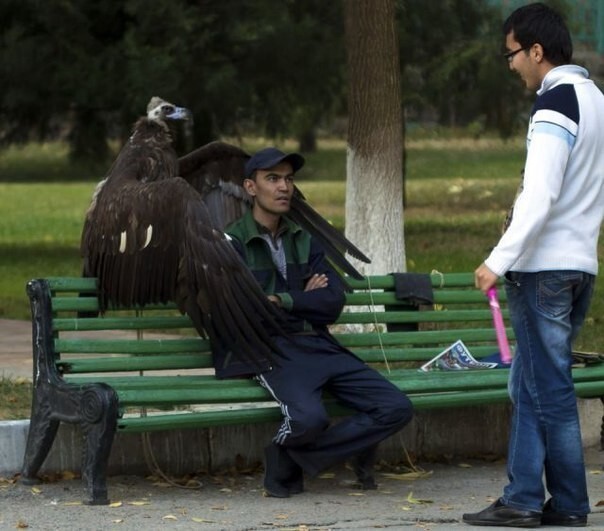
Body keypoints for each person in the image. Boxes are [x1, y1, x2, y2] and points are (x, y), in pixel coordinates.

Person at [465, 3, 604, 528]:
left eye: (513, 54)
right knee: (528, 384)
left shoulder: (554, 105)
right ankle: (523, 496)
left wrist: (498, 260)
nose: (511, 65)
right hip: (578, 266)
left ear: (537, 51)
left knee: (549, 390)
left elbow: (540, 194)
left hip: (543, 269)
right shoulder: (596, 101)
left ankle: (567, 504)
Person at [221, 146, 413, 498]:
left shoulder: (302, 239)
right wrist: (303, 297)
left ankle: (289, 457)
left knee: (395, 407)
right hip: (271, 350)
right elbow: (246, 310)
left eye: (289, 179)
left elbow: (332, 301)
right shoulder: (231, 243)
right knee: (310, 419)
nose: (284, 188)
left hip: (318, 344)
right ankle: (293, 459)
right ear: (251, 188)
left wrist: (282, 298)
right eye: (273, 179)